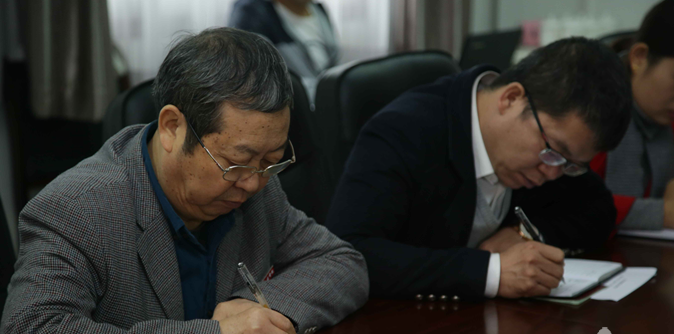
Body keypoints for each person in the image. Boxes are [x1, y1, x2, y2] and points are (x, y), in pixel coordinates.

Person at [0, 28, 368, 334]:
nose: (253, 183)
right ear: (172, 128)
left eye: (271, 161)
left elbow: (341, 262)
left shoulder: (254, 185)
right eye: (236, 162)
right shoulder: (77, 208)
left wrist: (255, 312)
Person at [326, 37, 631, 301]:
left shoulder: (548, 146)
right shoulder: (403, 130)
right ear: (511, 98)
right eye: (553, 152)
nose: (552, 173)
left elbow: (600, 209)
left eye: (571, 165)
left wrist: (523, 233)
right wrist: (491, 272)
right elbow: (350, 253)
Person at [591, 0, 674, 230]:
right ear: (639, 57)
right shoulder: (592, 115)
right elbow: (572, 203)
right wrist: (662, 213)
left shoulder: (667, 118)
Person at [229, 0, 339, 102]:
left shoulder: (319, 11)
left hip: (323, 103)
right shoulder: (252, 13)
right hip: (289, 106)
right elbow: (253, 81)